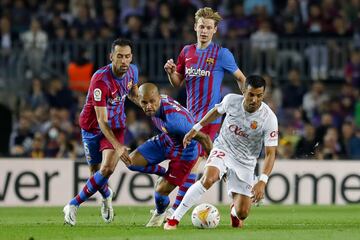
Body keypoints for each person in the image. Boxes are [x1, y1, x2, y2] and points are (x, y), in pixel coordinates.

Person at [164, 75, 278, 230]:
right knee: (208, 179)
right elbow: (216, 111)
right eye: (251, 94)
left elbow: (271, 153)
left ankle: (233, 211)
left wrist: (262, 181)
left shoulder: (269, 118)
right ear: (244, 91)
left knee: (242, 213)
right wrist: (196, 128)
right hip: (223, 148)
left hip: (246, 161)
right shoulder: (231, 100)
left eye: (259, 96)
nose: (254, 100)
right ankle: (174, 218)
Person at [163, 6, 246, 214]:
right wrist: (170, 72)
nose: (204, 31)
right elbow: (177, 82)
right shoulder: (186, 52)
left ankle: (174, 212)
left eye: (208, 27)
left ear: (215, 30)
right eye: (201, 26)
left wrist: (244, 107)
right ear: (195, 27)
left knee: (192, 163)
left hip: (210, 120)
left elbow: (241, 79)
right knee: (201, 164)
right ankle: (236, 198)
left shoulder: (221, 54)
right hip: (189, 119)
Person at [63, 38, 139, 226]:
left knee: (107, 169)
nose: (123, 61)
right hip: (92, 128)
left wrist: (148, 106)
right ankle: (106, 196)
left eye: (127, 56)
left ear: (131, 57)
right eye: (119, 56)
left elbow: (133, 94)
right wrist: (119, 147)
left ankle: (73, 204)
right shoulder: (100, 79)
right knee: (96, 173)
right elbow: (101, 121)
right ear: (111, 56)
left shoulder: (133, 71)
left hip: (117, 126)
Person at [127, 83, 212, 227]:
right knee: (131, 162)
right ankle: (162, 172)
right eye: (144, 102)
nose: (148, 106)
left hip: (185, 152)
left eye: (152, 102)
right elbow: (133, 95)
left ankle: (160, 212)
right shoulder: (149, 103)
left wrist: (214, 164)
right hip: (167, 140)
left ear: (159, 98)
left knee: (160, 192)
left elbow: (205, 138)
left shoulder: (175, 122)